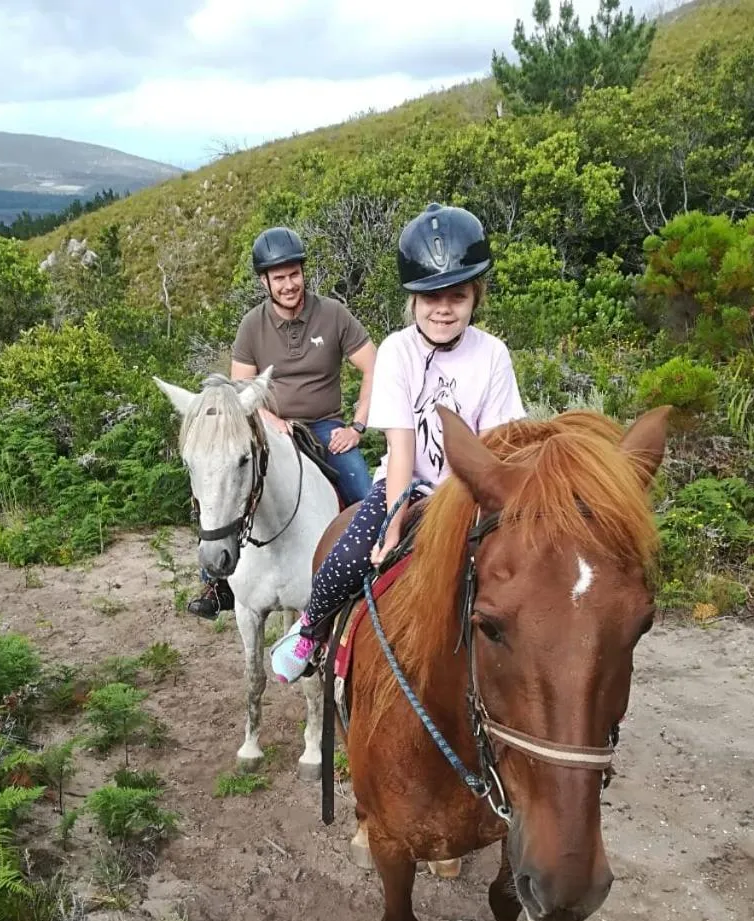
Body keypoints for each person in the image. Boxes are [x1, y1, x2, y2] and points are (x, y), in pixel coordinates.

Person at [270, 202, 525, 684]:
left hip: (471, 494)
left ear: (476, 296)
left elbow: (495, 445)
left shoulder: (493, 355)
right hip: (409, 487)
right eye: (431, 297)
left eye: (457, 295)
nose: (443, 308)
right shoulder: (397, 351)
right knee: (345, 559)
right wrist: (392, 524)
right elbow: (402, 447)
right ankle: (311, 629)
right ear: (413, 300)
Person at [187, 226, 377, 619]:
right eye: (279, 278)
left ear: (303, 273)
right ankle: (215, 581)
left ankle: (371, 577)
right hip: (268, 425)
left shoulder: (333, 314)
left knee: (363, 492)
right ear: (265, 282)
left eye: (294, 274)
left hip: (324, 427)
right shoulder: (251, 325)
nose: (289, 285)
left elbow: (374, 366)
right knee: (219, 476)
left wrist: (357, 427)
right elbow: (241, 391)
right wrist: (270, 417)